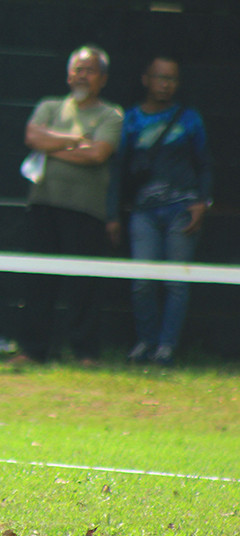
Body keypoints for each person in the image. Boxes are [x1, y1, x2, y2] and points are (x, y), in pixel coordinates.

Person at [17, 45, 124, 366]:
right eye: (77, 69)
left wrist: (54, 146)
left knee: (84, 285)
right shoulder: (48, 106)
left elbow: (98, 154)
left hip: (86, 212)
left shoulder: (111, 115)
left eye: (89, 70)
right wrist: (75, 141)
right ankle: (33, 351)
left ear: (103, 79)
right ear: (67, 74)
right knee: (38, 281)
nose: (82, 75)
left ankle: (84, 353)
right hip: (43, 205)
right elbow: (33, 137)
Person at [106, 55, 213, 366]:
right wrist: (112, 215)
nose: (165, 84)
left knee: (176, 281)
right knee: (142, 280)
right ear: (146, 79)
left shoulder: (190, 119)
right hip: (143, 211)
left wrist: (202, 202)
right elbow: (118, 169)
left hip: (182, 208)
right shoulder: (131, 120)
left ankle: (167, 346)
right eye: (159, 77)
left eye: (172, 79)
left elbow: (205, 164)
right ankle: (146, 341)